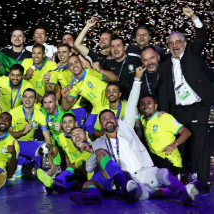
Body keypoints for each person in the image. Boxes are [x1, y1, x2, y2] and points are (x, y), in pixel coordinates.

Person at [74, 110, 203, 206]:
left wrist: (137, 80)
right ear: (101, 125)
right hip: (127, 178)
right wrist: (93, 152)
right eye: (104, 119)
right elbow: (90, 168)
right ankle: (160, 192)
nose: (108, 120)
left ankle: (183, 193)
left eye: (111, 117)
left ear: (116, 121)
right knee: (138, 193)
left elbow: (131, 104)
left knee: (163, 172)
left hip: (143, 171)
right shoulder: (97, 143)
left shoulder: (126, 130)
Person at [158, 7, 214, 192]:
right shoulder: (165, 65)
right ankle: (181, 178)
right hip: (179, 110)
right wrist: (164, 112)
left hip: (198, 107)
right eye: (172, 43)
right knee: (180, 145)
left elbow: (202, 38)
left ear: (184, 43)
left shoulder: (192, 54)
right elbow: (165, 90)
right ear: (168, 45)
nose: (175, 45)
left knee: (200, 144)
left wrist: (194, 17)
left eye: (178, 42)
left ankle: (204, 181)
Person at [37, 113, 93, 194]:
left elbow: (93, 149)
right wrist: (65, 168)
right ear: (62, 125)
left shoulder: (84, 135)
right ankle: (56, 186)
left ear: (76, 123)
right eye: (64, 122)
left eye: (70, 122)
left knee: (75, 167)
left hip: (87, 169)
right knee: (73, 184)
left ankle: (56, 181)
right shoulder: (61, 137)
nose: (67, 125)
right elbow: (67, 153)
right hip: (75, 172)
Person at [61, 55, 118, 135]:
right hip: (96, 109)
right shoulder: (74, 85)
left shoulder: (91, 72)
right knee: (88, 130)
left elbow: (116, 78)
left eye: (76, 62)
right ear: (69, 68)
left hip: (110, 106)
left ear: (81, 63)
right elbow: (66, 108)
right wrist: (64, 98)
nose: (74, 65)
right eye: (71, 64)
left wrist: (101, 70)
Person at [140, 94, 192, 176]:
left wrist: (175, 144)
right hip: (156, 164)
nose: (146, 106)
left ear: (155, 105)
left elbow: (186, 132)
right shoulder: (143, 119)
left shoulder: (164, 117)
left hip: (170, 163)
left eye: (149, 103)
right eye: (143, 104)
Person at [8, 89, 55, 177]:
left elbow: (47, 138)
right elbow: (8, 135)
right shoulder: (13, 112)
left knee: (46, 146)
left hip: (29, 145)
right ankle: (19, 166)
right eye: (25, 97)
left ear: (35, 100)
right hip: (15, 144)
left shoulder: (39, 115)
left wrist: (49, 158)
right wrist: (23, 131)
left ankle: (43, 171)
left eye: (31, 97)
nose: (27, 100)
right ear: (22, 99)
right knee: (12, 146)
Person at [45, 43, 88, 127]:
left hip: (79, 107)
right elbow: (50, 91)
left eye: (64, 52)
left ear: (70, 53)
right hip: (66, 107)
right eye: (59, 52)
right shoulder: (55, 71)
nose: (61, 54)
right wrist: (46, 82)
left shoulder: (77, 68)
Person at [93, 65, 143, 138]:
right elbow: (96, 131)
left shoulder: (128, 105)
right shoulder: (103, 111)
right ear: (106, 95)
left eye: (114, 91)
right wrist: (109, 132)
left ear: (119, 94)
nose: (111, 93)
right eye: (109, 92)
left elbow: (138, 128)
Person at [41, 91, 74, 170]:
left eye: (50, 102)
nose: (47, 106)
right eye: (45, 103)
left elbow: (75, 136)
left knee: (69, 160)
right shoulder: (43, 111)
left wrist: (62, 130)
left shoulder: (65, 113)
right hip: (55, 144)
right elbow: (47, 137)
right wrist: (49, 157)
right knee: (46, 148)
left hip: (67, 144)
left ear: (56, 102)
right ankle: (54, 170)